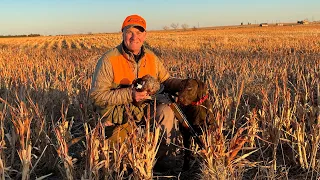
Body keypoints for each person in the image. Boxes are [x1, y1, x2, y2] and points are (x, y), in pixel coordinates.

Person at [90, 14, 182, 161]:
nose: (134, 37)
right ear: (123, 33)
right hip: (119, 113)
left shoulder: (151, 57)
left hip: (145, 110)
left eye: (139, 32)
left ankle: (163, 159)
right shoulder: (109, 60)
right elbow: (97, 96)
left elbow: (166, 80)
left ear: (145, 35)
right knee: (119, 160)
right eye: (130, 32)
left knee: (166, 111)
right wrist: (130, 95)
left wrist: (184, 84)